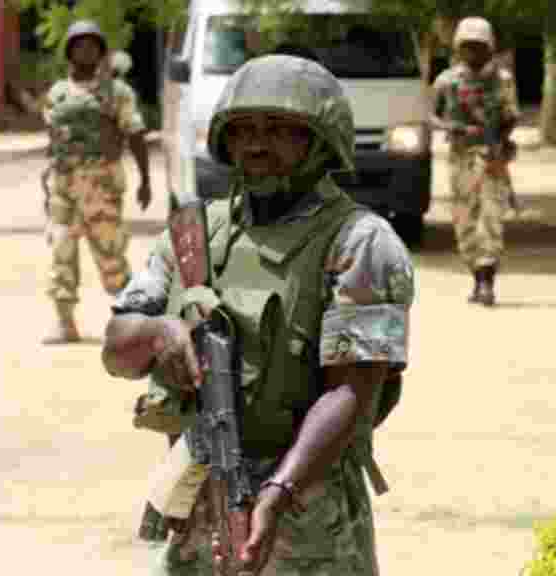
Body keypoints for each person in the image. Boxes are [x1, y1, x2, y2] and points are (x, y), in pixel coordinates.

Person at [100, 54, 414, 575]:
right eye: (243, 129)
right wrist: (161, 333)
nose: (257, 144)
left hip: (308, 507)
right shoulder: (192, 234)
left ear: (321, 140)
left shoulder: (359, 241)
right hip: (200, 490)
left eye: (281, 130)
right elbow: (116, 347)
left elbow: (352, 388)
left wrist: (277, 492)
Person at [42, 19, 152, 344]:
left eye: (92, 45)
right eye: (79, 44)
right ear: (69, 51)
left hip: (101, 186)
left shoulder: (116, 93)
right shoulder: (58, 94)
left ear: (101, 52)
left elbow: (135, 134)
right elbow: (53, 139)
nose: (85, 50)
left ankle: (132, 323)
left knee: (111, 256)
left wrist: (146, 180)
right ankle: (65, 322)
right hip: (63, 186)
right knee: (61, 252)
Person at [431, 16, 519, 306]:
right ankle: (476, 273)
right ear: (458, 47)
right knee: (464, 223)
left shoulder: (502, 80)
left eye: (479, 46)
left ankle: (486, 281)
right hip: (460, 157)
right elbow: (432, 116)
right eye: (467, 46)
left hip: (491, 158)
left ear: (489, 48)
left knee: (491, 218)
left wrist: (501, 141)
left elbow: (511, 116)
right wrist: (453, 128)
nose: (473, 52)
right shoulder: (447, 81)